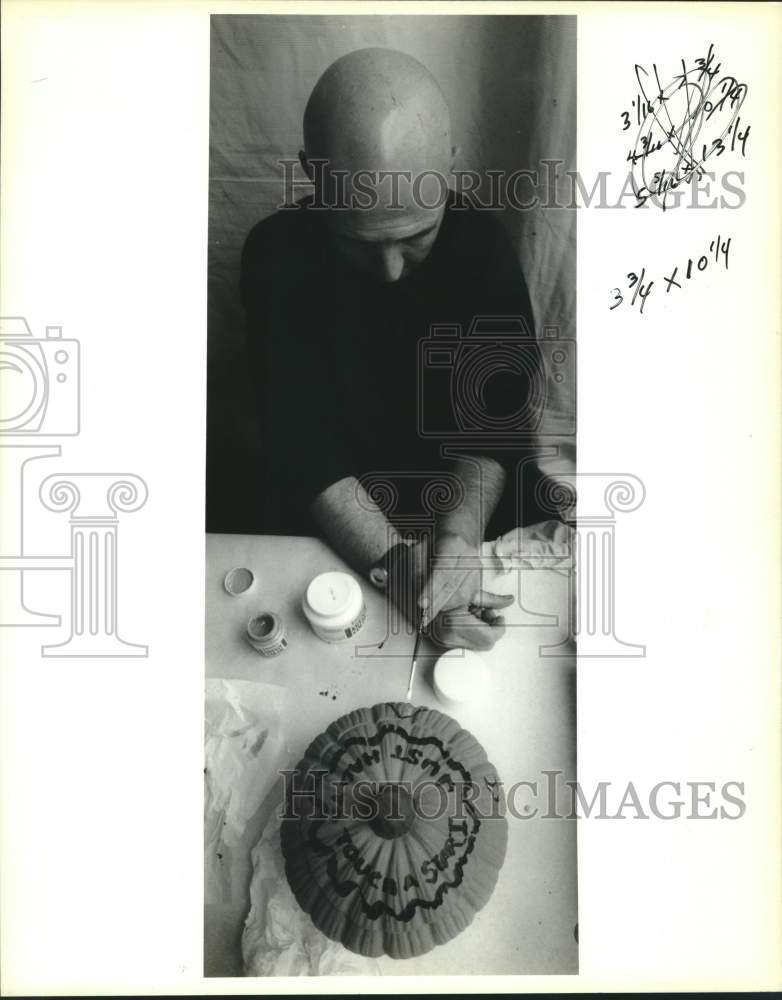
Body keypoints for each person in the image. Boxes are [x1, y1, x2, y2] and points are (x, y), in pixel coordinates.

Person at [237, 47, 548, 650]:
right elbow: (301, 439)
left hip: (465, 494)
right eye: (357, 242)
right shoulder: (275, 256)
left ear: (450, 168)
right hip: (332, 503)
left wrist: (456, 542)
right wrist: (396, 566)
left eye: (417, 237)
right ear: (311, 174)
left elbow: (495, 423)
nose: (389, 273)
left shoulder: (482, 249)